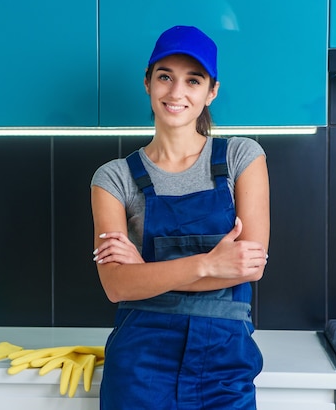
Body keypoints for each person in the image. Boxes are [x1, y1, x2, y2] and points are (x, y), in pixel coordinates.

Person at [90, 25, 270, 409]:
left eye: (193, 80)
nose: (176, 92)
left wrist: (148, 275)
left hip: (225, 363)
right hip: (140, 366)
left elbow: (248, 266)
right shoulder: (114, 177)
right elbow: (117, 287)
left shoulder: (242, 157)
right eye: (165, 77)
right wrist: (210, 264)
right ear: (148, 83)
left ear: (211, 92)